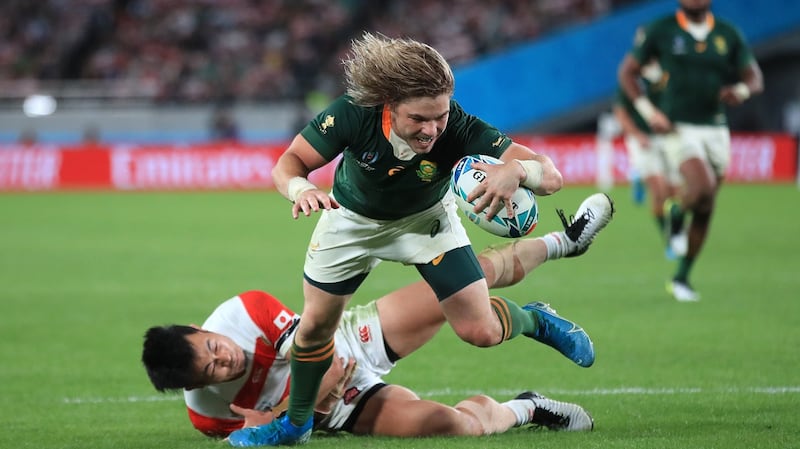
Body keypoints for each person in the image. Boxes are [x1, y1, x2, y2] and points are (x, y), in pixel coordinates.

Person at [264, 31, 614, 445]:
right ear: (389, 105)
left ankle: (535, 318)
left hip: (426, 221)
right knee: (317, 327)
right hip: (349, 221)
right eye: (419, 119)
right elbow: (290, 162)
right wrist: (300, 189)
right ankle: (296, 424)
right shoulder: (353, 113)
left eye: (440, 116)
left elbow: (550, 175)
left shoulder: (459, 126)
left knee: (479, 331)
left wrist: (517, 171)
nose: (432, 129)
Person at [142, 208, 610, 444]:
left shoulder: (242, 312)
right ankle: (528, 408)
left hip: (348, 340)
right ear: (197, 386)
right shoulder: (206, 412)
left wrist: (283, 413)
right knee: (454, 427)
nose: (224, 360)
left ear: (197, 327)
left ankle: (561, 245)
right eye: (212, 371)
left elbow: (315, 367)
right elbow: (263, 439)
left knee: (469, 282)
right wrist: (292, 414)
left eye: (211, 347)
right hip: (344, 410)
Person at [618, 0, 763, 301]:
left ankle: (682, 277)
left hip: (716, 128)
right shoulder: (661, 30)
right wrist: (649, 112)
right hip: (678, 128)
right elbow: (626, 74)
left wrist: (741, 90)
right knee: (702, 186)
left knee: (707, 205)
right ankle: (675, 210)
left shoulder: (727, 33)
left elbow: (754, 76)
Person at [613, 59, 685, 259]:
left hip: (667, 139)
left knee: (676, 192)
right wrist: (637, 135)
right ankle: (670, 239)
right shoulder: (631, 79)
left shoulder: (667, 74)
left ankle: (636, 176)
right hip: (643, 140)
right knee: (660, 190)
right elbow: (621, 112)